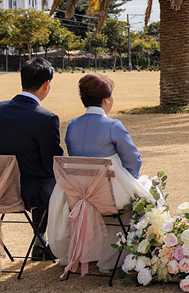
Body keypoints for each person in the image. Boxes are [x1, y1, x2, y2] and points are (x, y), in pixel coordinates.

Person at [47, 73, 152, 274]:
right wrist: (128, 182)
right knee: (149, 192)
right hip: (109, 197)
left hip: (79, 196)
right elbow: (133, 161)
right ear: (106, 99)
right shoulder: (113, 126)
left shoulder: (73, 126)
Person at [0, 56, 62, 261]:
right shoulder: (46, 118)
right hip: (31, 194)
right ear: (46, 84)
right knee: (59, 181)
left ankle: (40, 240)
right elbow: (52, 163)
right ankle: (47, 241)